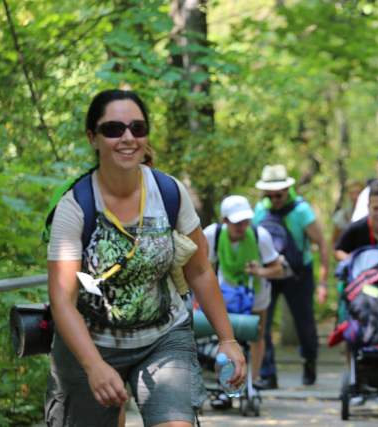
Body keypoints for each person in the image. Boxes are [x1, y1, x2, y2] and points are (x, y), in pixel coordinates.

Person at [46, 89, 245, 427]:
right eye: (113, 129)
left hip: (162, 337)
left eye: (137, 128)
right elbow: (62, 299)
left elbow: (199, 270)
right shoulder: (75, 206)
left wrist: (228, 339)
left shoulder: (169, 192)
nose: (127, 138)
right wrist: (94, 366)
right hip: (89, 343)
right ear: (93, 138)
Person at [253, 164, 329, 388]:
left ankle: (309, 361)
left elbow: (322, 244)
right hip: (270, 272)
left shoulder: (301, 211)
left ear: (287, 190)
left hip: (299, 274)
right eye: (271, 194)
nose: (276, 198)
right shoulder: (260, 210)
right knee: (262, 326)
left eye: (280, 194)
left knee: (304, 324)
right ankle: (268, 374)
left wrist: (323, 282)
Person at [203, 195, 283, 392]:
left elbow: (277, 269)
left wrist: (259, 271)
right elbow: (200, 265)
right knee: (226, 337)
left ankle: (251, 381)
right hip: (225, 294)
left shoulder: (259, 235)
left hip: (255, 295)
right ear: (225, 221)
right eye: (236, 222)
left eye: (245, 221)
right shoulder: (213, 234)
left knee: (256, 335)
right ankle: (226, 380)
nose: (241, 226)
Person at [331, 179, 365, 246]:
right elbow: (335, 240)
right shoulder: (342, 215)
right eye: (352, 193)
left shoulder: (370, 214)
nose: (355, 196)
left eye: (358, 193)